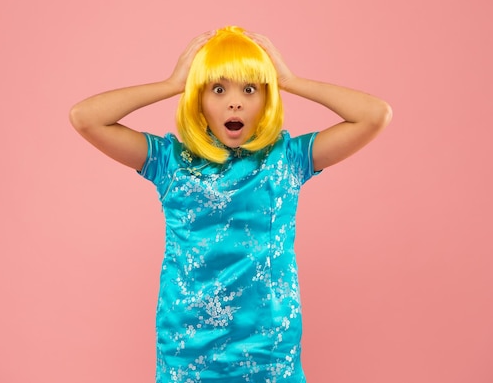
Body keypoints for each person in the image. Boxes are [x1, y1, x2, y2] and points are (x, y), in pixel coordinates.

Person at [69, 26, 391, 382]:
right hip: (187, 350)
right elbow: (85, 117)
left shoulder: (288, 160)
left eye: (250, 88)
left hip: (268, 351)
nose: (234, 102)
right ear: (199, 99)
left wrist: (290, 80)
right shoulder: (170, 164)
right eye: (218, 89)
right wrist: (172, 84)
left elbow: (375, 115)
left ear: (266, 100)